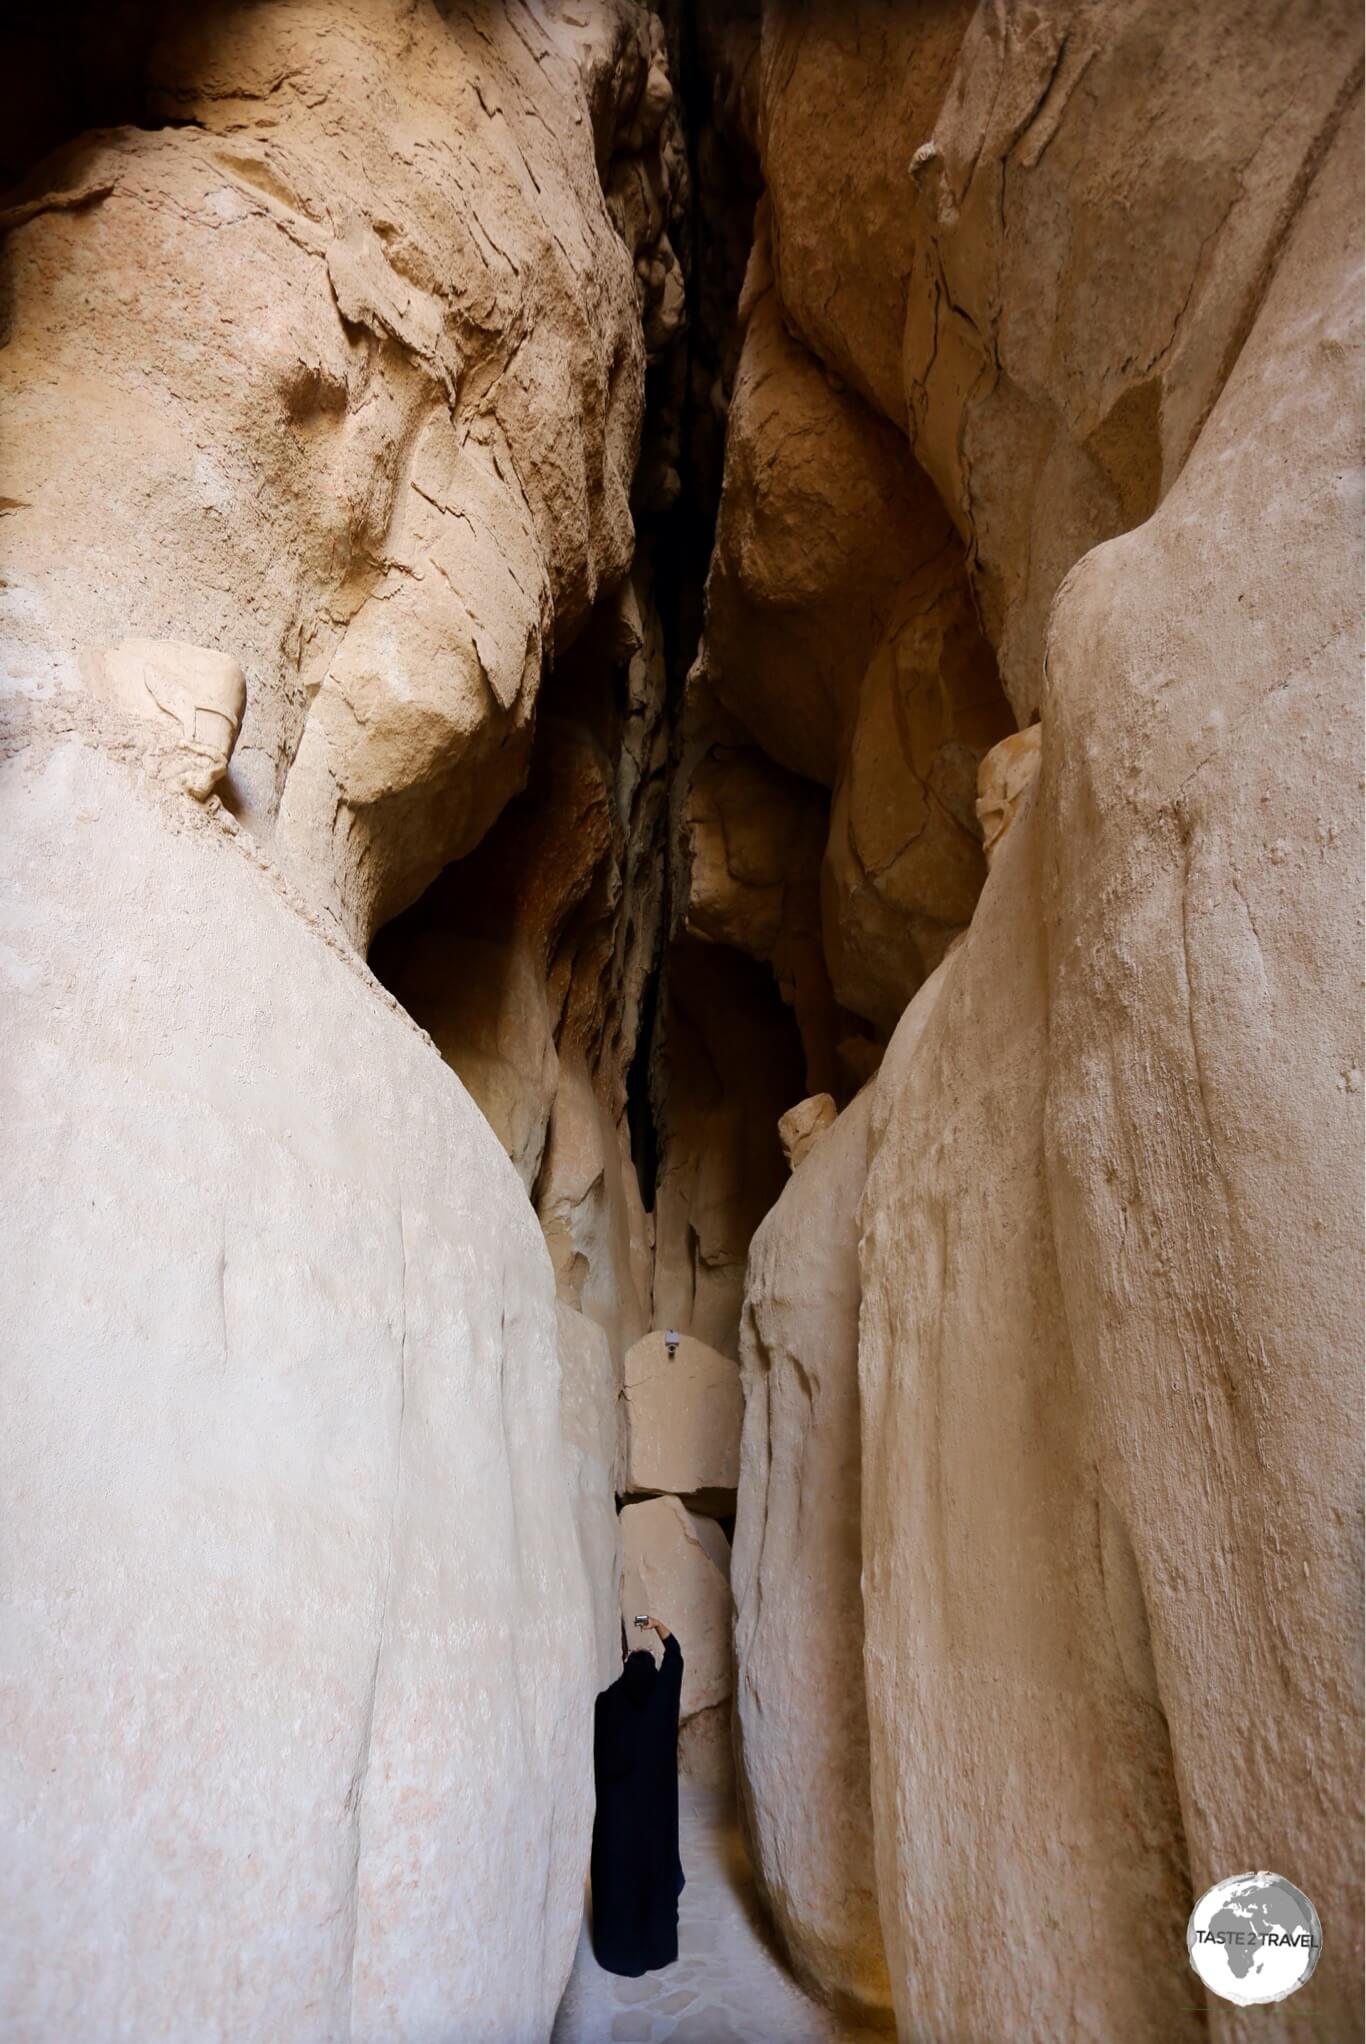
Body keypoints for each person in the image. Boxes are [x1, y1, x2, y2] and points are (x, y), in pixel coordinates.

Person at [589, 1614, 685, 1976]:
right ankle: (654, 1949)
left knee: (621, 1878)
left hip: (619, 1817)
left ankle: (620, 1952)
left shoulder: (608, 1704)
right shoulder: (663, 1699)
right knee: (652, 1877)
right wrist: (659, 1625)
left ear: (626, 1667)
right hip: (656, 1817)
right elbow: (675, 1657)